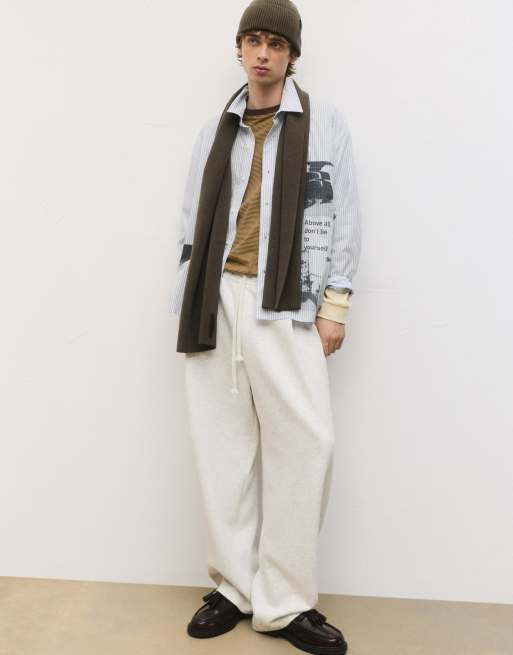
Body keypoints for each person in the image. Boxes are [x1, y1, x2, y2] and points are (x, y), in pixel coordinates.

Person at [168, 1, 362, 653]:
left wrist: (334, 305)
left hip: (286, 302)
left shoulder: (324, 123)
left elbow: (343, 213)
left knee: (307, 445)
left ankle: (285, 601)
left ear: (291, 56)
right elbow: (191, 218)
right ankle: (233, 587)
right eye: (252, 41)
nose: (262, 53)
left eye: (275, 44)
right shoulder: (215, 129)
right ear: (239, 49)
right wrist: (189, 296)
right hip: (216, 297)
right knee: (222, 448)